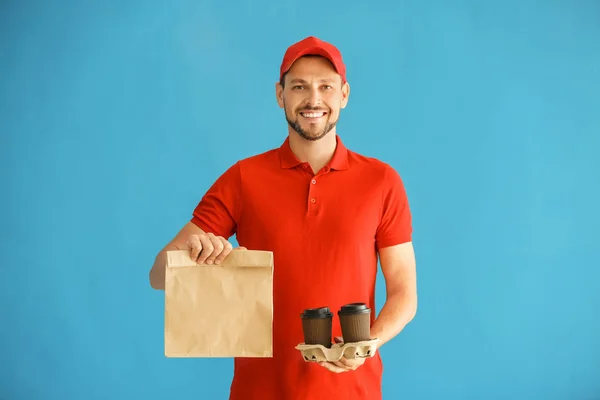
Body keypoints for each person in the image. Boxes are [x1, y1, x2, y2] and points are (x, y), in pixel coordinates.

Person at [149, 36, 418, 400]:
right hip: (259, 391)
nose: (313, 99)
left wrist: (368, 344)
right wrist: (197, 253)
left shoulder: (381, 181)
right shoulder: (244, 178)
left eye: (326, 86)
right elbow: (159, 274)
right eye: (299, 87)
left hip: (353, 391)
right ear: (280, 95)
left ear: (344, 95)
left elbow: (404, 294)